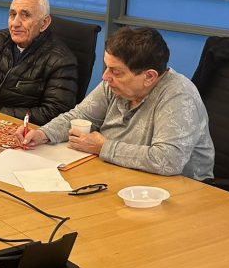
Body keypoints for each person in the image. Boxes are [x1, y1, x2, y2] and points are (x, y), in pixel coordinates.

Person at [18, 27, 215, 180]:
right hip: (119, 172)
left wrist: (104, 147)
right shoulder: (114, 84)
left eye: (116, 71)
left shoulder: (179, 95)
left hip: (177, 192)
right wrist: (44, 134)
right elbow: (81, 116)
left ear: (149, 77)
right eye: (107, 67)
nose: (105, 77)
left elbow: (168, 160)